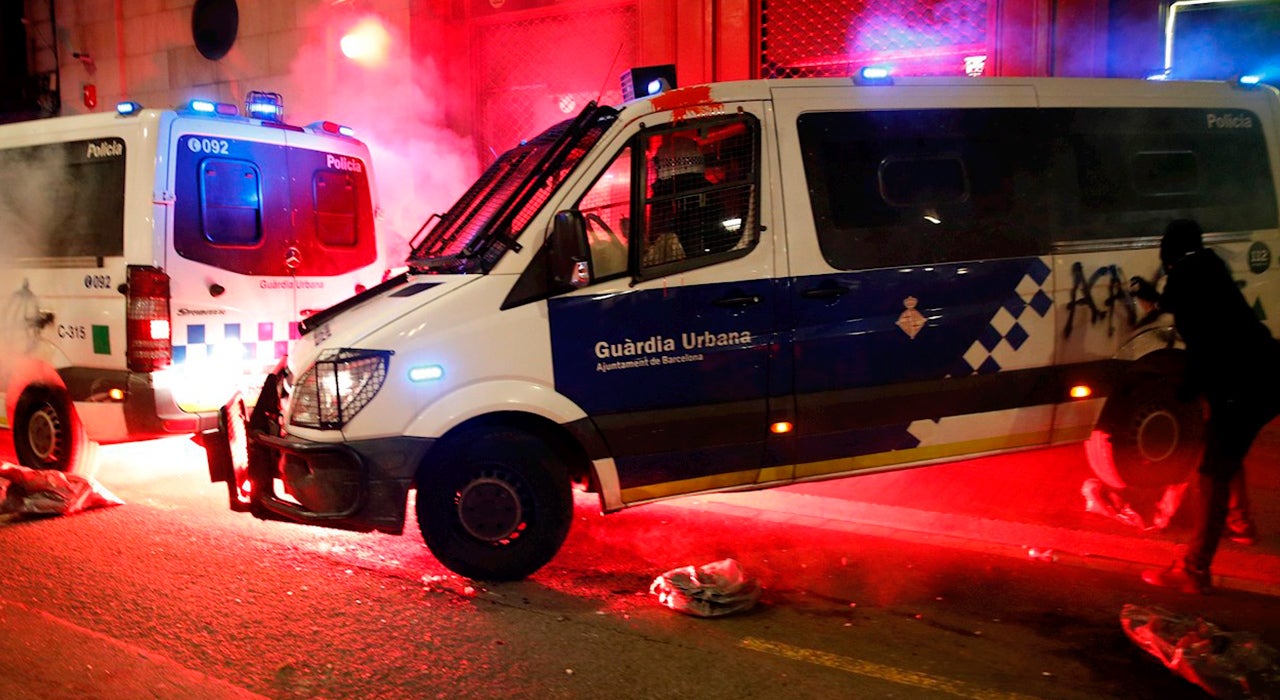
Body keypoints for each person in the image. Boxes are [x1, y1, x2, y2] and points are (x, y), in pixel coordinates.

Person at [1130, 219, 1280, 593]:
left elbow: (1201, 346)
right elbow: (1180, 304)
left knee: (1211, 474)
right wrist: (1155, 296)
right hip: (1266, 373)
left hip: (1242, 386)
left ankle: (1195, 570)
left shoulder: (1185, 277)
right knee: (1226, 452)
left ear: (1169, 255)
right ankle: (1241, 526)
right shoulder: (1209, 266)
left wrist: (1185, 392)